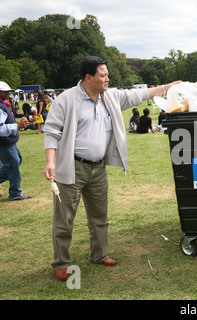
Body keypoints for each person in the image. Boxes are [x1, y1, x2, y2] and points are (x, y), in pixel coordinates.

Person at [43, 55, 181, 281]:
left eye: (107, 74)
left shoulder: (110, 97)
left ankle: (99, 254)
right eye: (103, 75)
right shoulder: (66, 100)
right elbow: (52, 131)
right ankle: (62, 262)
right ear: (89, 77)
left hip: (98, 169)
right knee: (65, 218)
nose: (107, 79)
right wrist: (50, 162)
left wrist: (166, 87)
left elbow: (136, 95)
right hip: (71, 167)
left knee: (100, 216)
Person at [0, 81, 33, 201]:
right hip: (5, 143)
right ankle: (15, 193)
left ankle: (15, 192)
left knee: (15, 163)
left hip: (8, 142)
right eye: (5, 91)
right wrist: (17, 126)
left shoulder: (3, 104)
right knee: (13, 166)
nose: (8, 93)